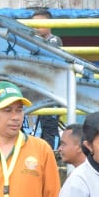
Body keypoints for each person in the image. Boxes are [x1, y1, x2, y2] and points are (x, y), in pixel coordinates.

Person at [29, 8, 62, 149]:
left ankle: (54, 157)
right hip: (36, 87)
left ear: (50, 24)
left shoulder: (54, 40)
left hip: (52, 89)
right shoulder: (31, 40)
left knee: (49, 126)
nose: (36, 27)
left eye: (40, 23)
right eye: (33, 24)